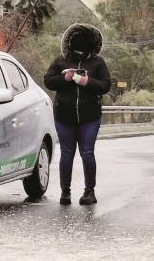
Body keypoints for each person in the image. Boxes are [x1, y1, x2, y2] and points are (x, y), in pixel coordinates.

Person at [44, 24, 111, 206]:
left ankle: (89, 191)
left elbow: (106, 85)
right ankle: (65, 192)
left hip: (90, 116)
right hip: (64, 116)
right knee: (67, 154)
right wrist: (64, 79)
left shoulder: (98, 62)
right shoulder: (61, 61)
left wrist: (86, 81)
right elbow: (48, 81)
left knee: (87, 152)